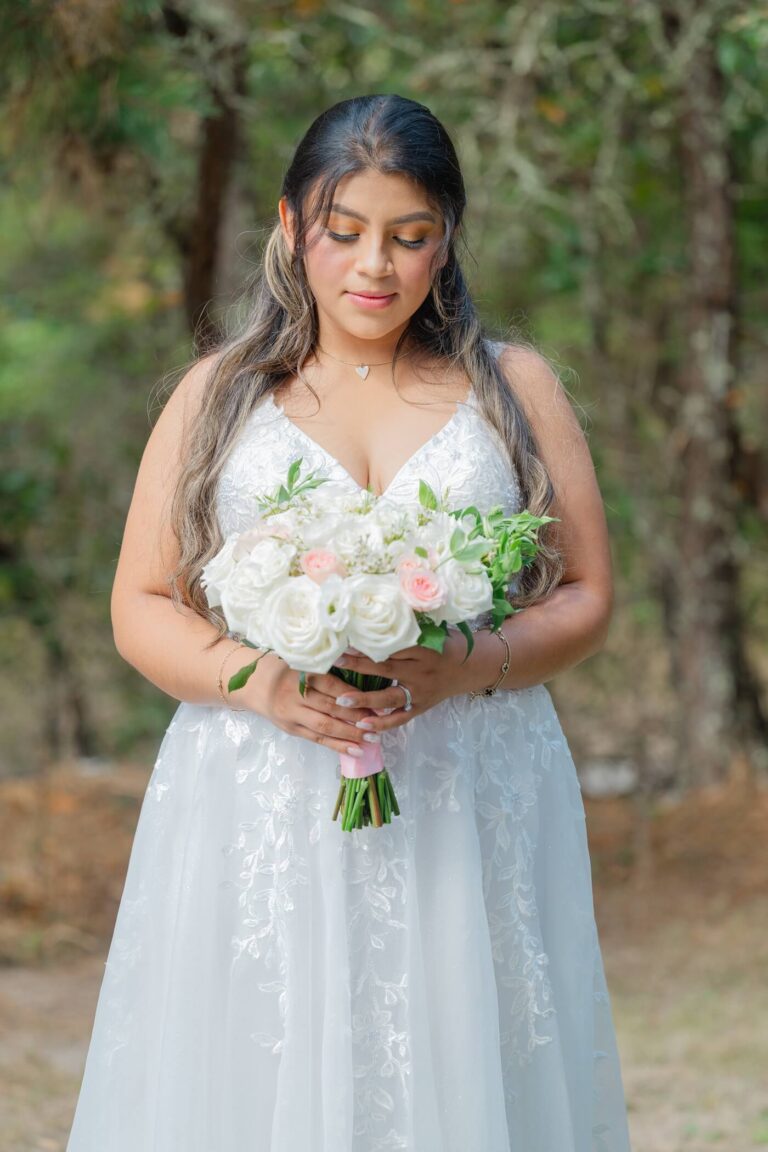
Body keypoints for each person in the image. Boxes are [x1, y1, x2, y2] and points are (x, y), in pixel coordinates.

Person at [67, 94, 633, 1151]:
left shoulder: (511, 388)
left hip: (467, 783)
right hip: (262, 790)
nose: (376, 265)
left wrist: (473, 663)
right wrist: (265, 682)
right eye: (346, 232)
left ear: (447, 242)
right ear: (292, 228)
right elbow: (140, 604)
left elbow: (588, 593)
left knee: (470, 1054)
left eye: (411, 237)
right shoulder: (221, 395)